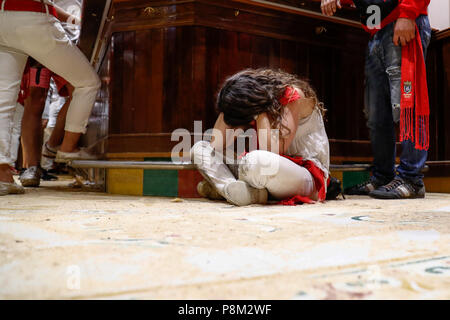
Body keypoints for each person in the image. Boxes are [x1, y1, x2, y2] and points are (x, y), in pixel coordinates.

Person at [321, 0, 431, 199]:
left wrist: (408, 14)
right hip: (376, 34)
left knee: (407, 105)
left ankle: (412, 178)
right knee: (376, 114)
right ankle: (383, 176)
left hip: (403, 21)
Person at [0, 0, 101, 196]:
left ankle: (2, 174)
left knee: (3, 99)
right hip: (32, 18)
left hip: (3, 20)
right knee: (88, 83)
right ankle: (67, 148)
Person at [190, 68, 330, 206]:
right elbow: (217, 144)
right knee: (201, 149)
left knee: (256, 160)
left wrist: (260, 112)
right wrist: (227, 107)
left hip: (307, 176)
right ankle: (231, 189)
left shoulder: (291, 94)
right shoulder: (252, 102)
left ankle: (228, 190)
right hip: (260, 173)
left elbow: (273, 152)